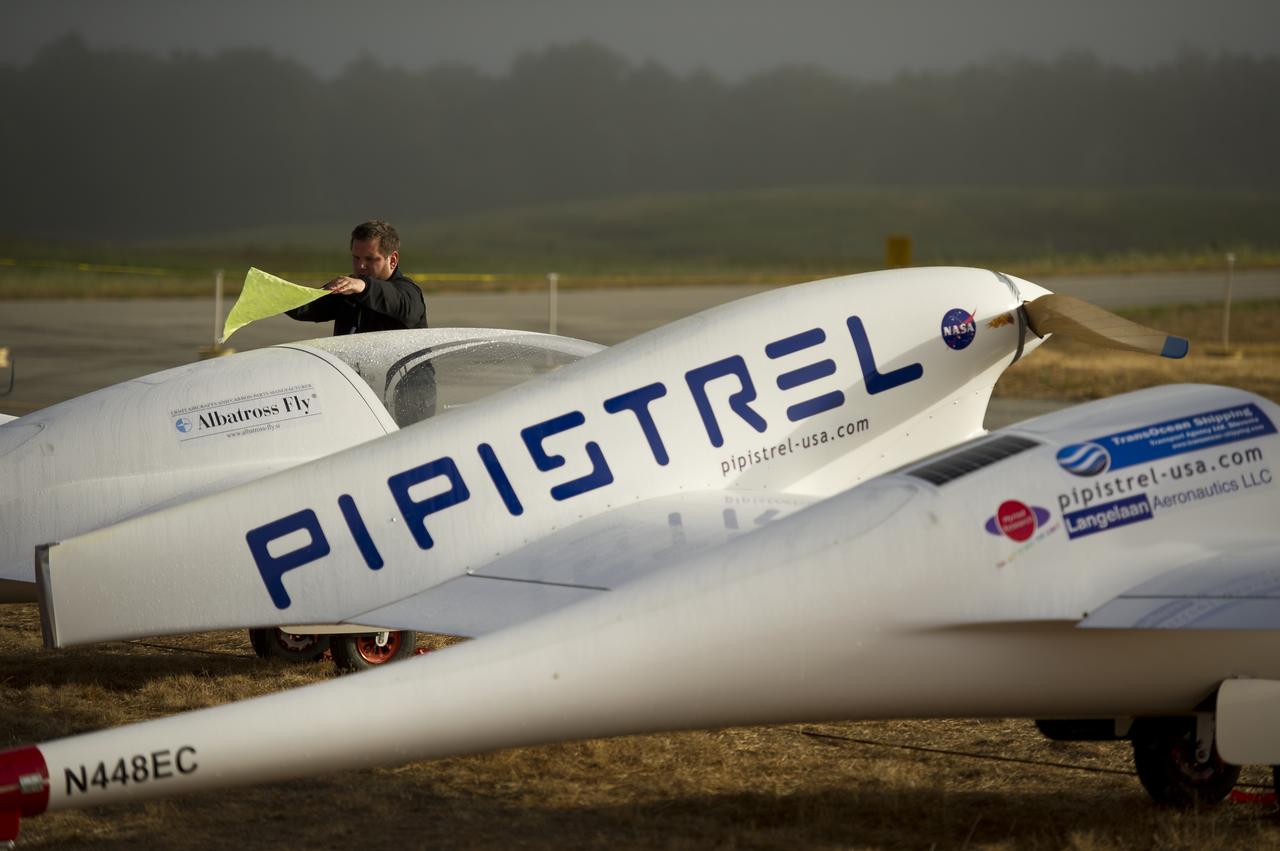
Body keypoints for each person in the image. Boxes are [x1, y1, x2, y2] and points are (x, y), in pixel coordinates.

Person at [287, 220, 427, 334]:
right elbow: (306, 307)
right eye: (356, 258)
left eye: (370, 259)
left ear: (393, 260)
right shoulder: (349, 290)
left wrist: (364, 286)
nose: (361, 266)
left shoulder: (409, 293)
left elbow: (399, 303)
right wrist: (269, 291)